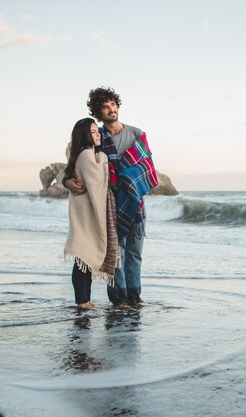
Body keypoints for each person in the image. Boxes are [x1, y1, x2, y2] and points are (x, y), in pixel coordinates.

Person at [64, 87, 158, 308]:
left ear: (117, 105)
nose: (111, 110)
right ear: (98, 112)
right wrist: (66, 179)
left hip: (136, 205)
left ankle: (135, 297)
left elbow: (147, 167)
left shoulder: (136, 134)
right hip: (110, 205)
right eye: (105, 107)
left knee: (135, 255)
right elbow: (74, 157)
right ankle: (119, 299)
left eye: (112, 105)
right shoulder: (95, 135)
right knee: (117, 255)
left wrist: (127, 177)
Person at [64, 118, 119, 309]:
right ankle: (82, 301)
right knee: (82, 258)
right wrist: (103, 158)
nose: (98, 135)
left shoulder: (81, 154)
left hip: (84, 214)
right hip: (85, 215)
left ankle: (85, 300)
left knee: (84, 259)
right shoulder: (89, 156)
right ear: (84, 136)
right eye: (93, 132)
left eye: (98, 131)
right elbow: (96, 183)